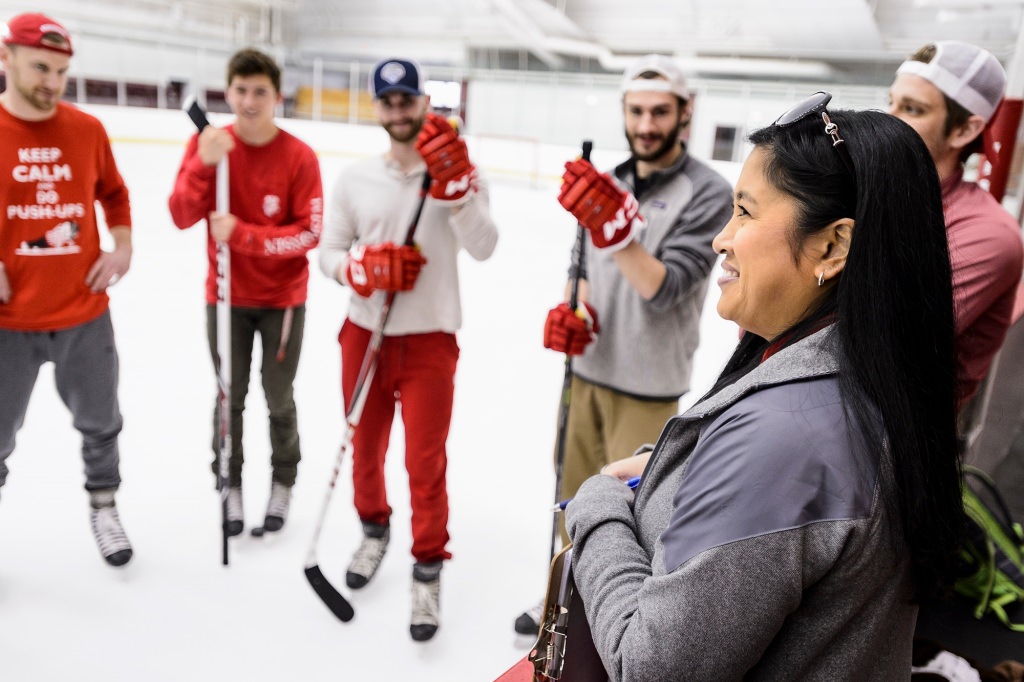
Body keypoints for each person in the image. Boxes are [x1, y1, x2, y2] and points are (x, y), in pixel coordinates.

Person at [562, 96, 964, 679]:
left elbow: (649, 667)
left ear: (833, 246)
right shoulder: (850, 370)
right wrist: (683, 467)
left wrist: (596, 500)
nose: (721, 240)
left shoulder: (788, 438)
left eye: (746, 213)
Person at [516, 53, 733, 634]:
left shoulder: (709, 192)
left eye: (660, 111)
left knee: (632, 518)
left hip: (648, 383)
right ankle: (558, 604)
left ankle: (608, 623)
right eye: (635, 111)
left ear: (685, 114)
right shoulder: (607, 180)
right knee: (570, 497)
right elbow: (579, 264)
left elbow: (665, 289)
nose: (646, 124)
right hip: (586, 371)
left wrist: (615, 230)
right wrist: (572, 307)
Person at [318, 57, 497, 642]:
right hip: (364, 334)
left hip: (429, 342)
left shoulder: (458, 172)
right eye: (388, 100)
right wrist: (361, 268)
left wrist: (457, 193)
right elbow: (327, 255)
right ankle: (374, 531)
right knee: (364, 449)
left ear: (424, 103)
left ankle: (427, 566)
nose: (398, 109)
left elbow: (486, 246)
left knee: (425, 460)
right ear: (378, 107)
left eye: (407, 99)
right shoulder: (354, 179)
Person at [168, 48, 322, 536]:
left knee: (279, 398)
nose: (249, 100)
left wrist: (245, 235)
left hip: (282, 301)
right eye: (240, 90)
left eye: (260, 91)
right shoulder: (210, 145)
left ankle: (283, 479)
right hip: (225, 296)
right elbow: (180, 215)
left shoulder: (299, 156)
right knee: (228, 396)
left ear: (277, 96)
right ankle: (228, 482)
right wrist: (201, 166)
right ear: (228, 91)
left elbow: (309, 233)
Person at [0, 13, 134, 566]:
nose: (51, 82)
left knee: (101, 423)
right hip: (9, 323)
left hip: (83, 314)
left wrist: (121, 245)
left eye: (60, 71)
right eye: (40, 67)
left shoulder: (85, 130)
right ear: (6, 57)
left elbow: (115, 192)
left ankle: (104, 505)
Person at [888, 41, 1023, 411]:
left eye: (912, 109)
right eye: (891, 103)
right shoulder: (873, 194)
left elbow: (878, 341)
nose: (889, 120)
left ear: (965, 130)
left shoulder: (989, 235)